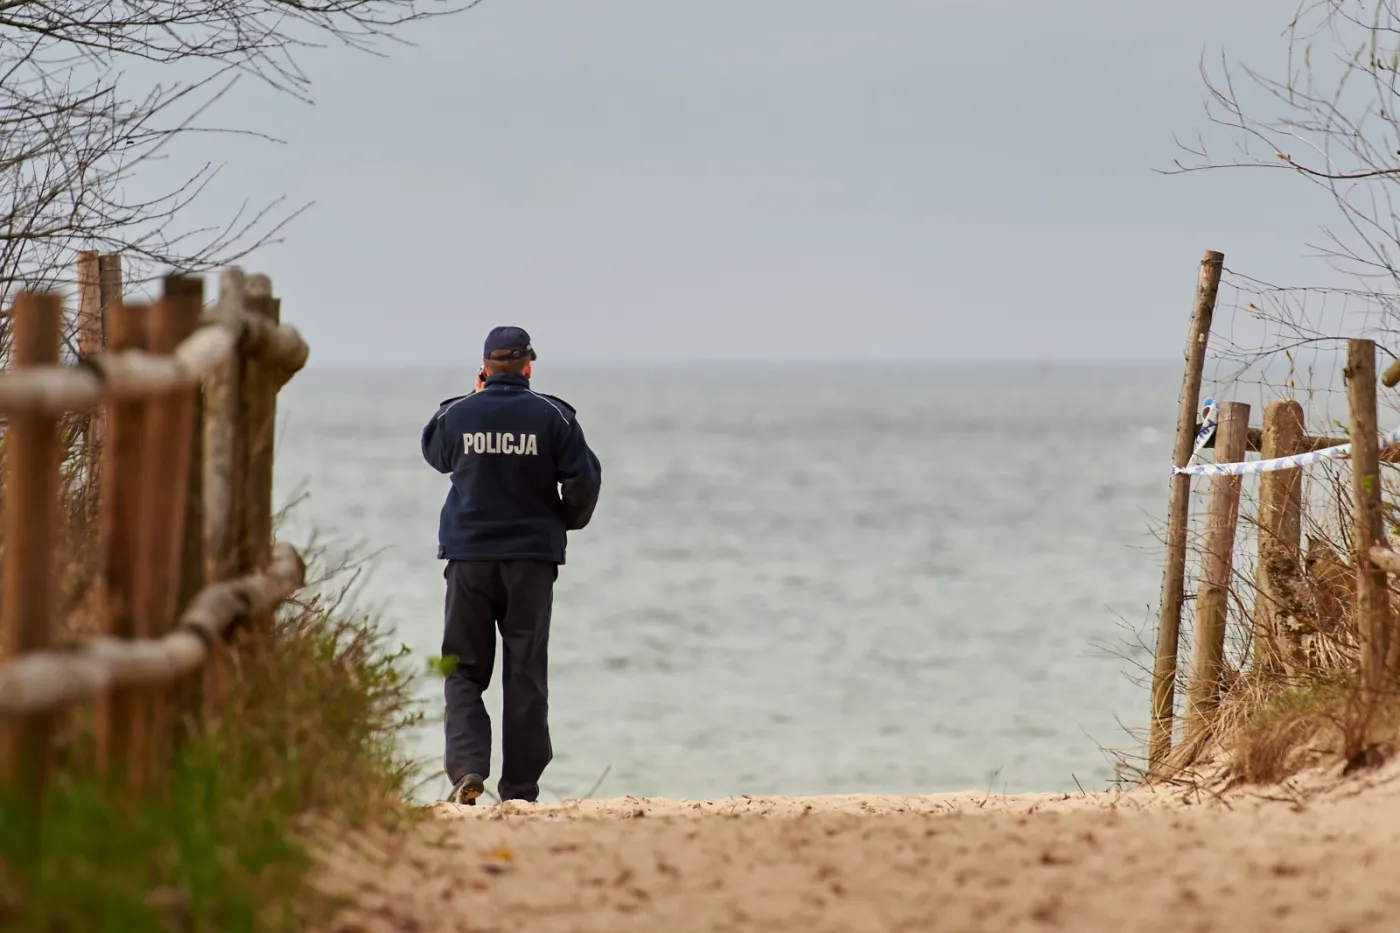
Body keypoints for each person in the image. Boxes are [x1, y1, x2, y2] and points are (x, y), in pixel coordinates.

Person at [420, 326, 602, 806]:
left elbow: (435, 453)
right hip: (531, 563)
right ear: (528, 368)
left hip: (469, 560)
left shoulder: (458, 414)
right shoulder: (554, 417)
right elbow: (585, 483)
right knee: (525, 673)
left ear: (484, 367)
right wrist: (564, 521)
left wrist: (473, 397)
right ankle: (520, 789)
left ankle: (467, 768)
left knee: (463, 669)